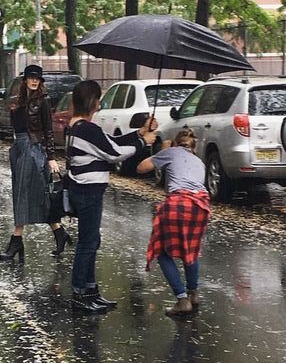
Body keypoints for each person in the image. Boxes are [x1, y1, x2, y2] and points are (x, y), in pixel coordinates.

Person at [67, 80, 157, 313]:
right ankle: (79, 293)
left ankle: (90, 290)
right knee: (88, 243)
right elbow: (114, 153)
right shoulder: (86, 129)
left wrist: (139, 131)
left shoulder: (80, 127)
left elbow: (111, 142)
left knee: (91, 241)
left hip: (85, 190)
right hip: (88, 192)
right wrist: (142, 143)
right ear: (94, 102)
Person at [0, 64, 72, 262]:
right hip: (20, 149)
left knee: (26, 195)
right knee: (35, 196)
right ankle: (59, 233)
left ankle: (16, 240)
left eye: (37, 78)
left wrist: (50, 157)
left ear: (40, 81)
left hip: (34, 150)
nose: (34, 81)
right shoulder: (19, 101)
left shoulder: (43, 100)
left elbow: (48, 130)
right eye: (31, 77)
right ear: (25, 80)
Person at [136, 129, 211, 316]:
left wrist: (162, 151)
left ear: (175, 143)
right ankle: (194, 294)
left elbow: (141, 168)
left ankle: (182, 298)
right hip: (201, 205)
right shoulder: (200, 162)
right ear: (194, 148)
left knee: (161, 251)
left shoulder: (170, 152)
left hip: (178, 203)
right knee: (191, 250)